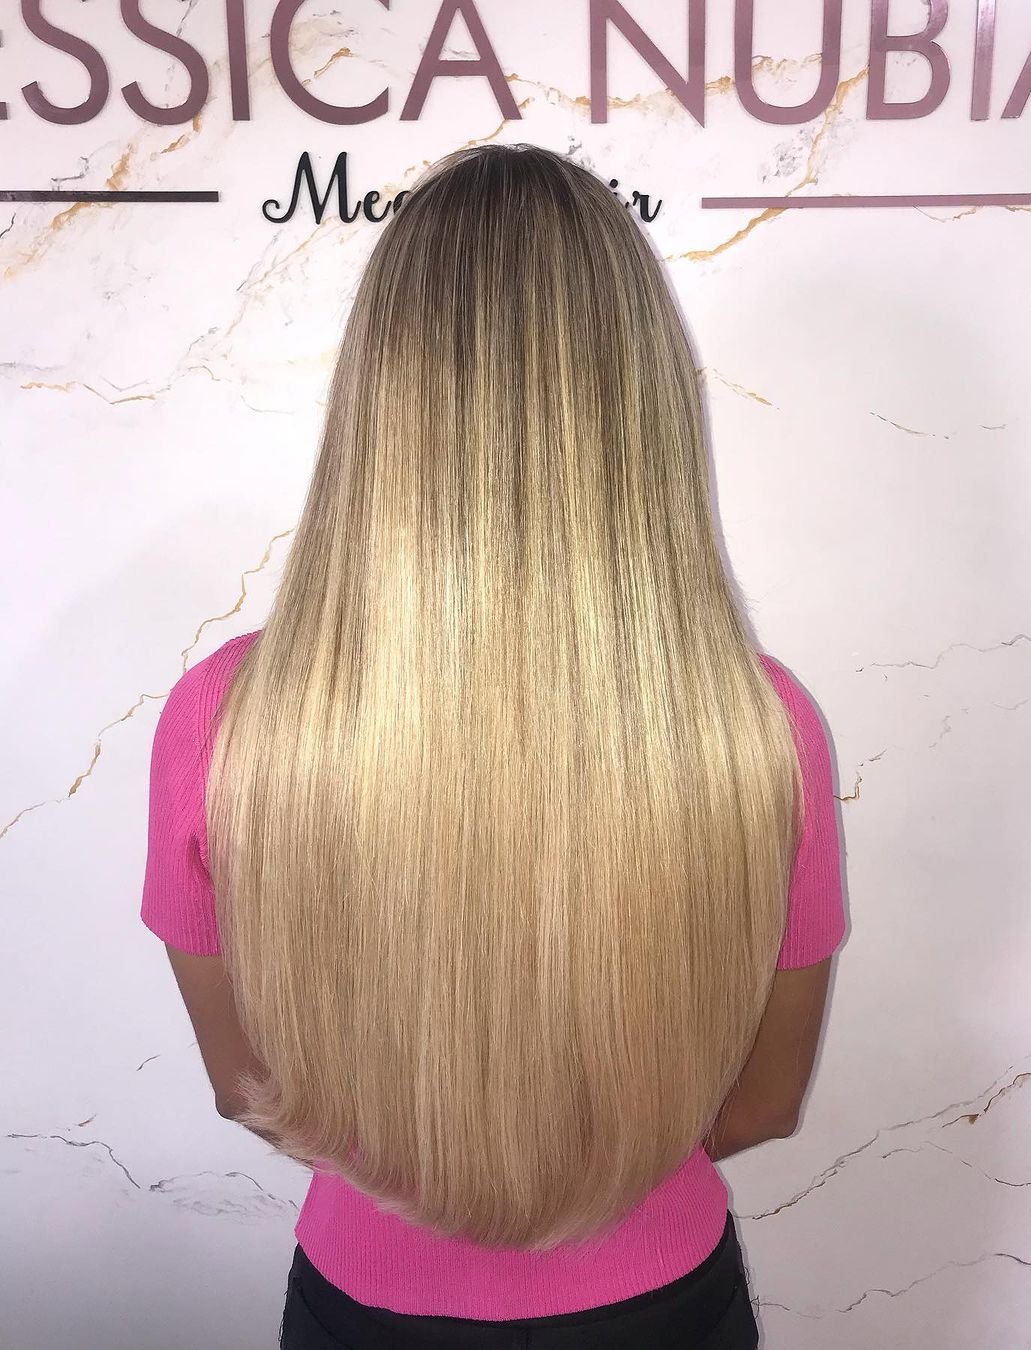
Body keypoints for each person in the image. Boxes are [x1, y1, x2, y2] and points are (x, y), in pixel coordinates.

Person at [140, 143, 845, 1349]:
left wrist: (434, 1169)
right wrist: (593, 1171)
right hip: (663, 1304)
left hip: (366, 1305)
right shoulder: (755, 725)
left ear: (381, 392)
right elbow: (763, 1102)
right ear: (638, 397)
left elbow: (244, 1086)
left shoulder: (228, 717)